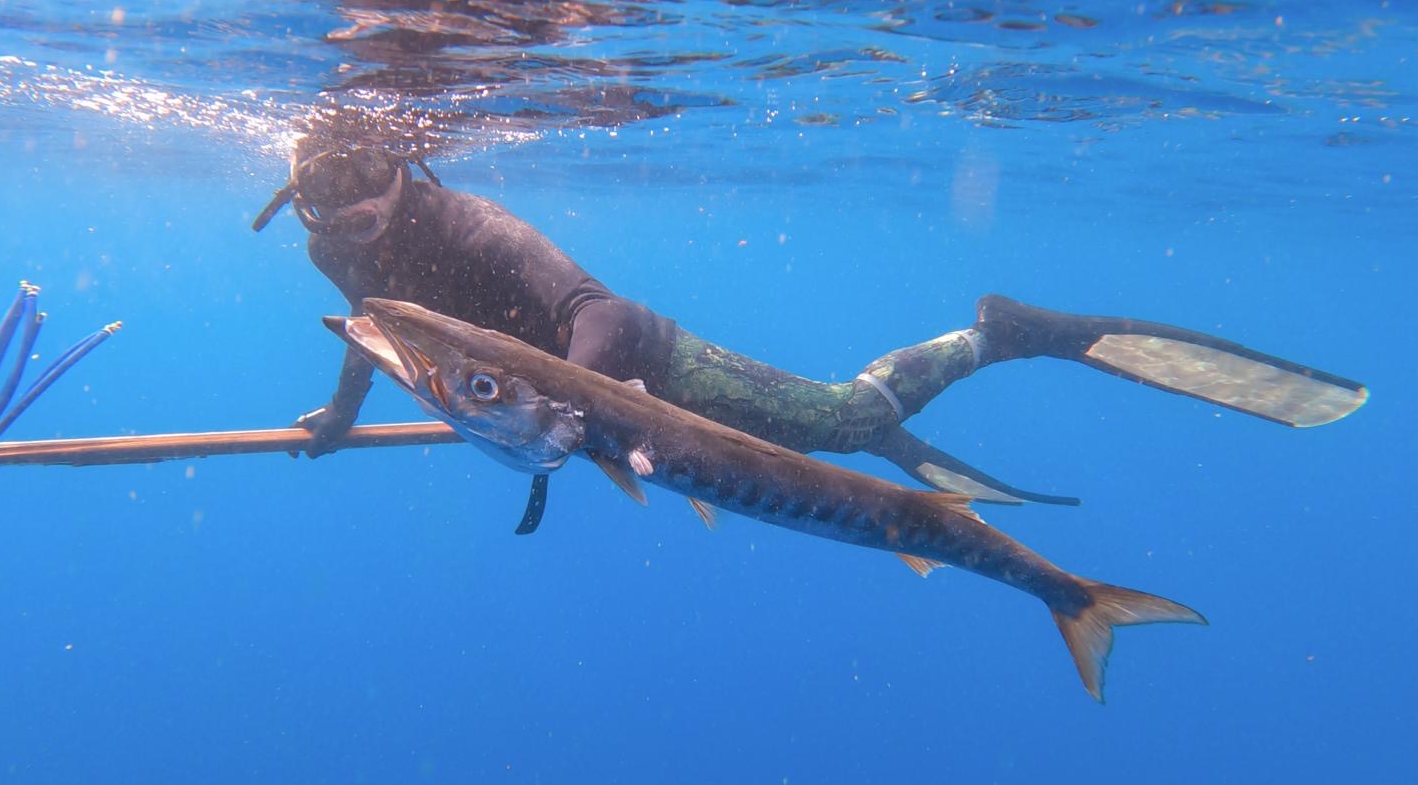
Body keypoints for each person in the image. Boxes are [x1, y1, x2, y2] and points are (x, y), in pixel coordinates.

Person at [252, 135, 1368, 505]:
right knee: (823, 438)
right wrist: (341, 412)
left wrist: (603, 400)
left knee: (838, 420)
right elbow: (376, 332)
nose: (349, 209)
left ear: (401, 166)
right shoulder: (330, 249)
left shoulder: (479, 226)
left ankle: (1002, 329)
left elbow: (587, 308)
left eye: (364, 179)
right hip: (568, 401)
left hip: (634, 360)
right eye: (323, 192)